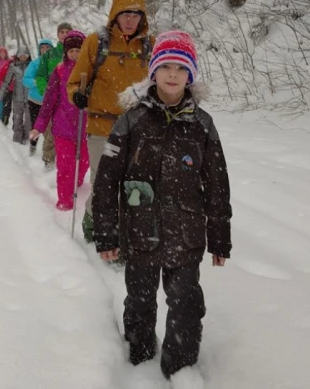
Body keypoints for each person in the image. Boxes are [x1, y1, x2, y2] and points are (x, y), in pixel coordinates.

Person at [92, 31, 232, 381]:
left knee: (185, 303)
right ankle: (138, 360)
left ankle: (180, 367)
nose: (173, 74)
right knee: (139, 300)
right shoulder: (131, 120)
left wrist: (219, 238)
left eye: (181, 68)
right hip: (140, 232)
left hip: (186, 234)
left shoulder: (202, 124)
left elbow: (217, 184)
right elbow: (106, 180)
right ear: (153, 71)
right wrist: (106, 235)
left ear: (191, 76)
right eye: (166, 66)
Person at [67, 0, 156, 242]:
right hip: (102, 127)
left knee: (132, 185)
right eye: (125, 13)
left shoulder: (150, 45)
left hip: (137, 129)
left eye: (136, 14)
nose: (130, 20)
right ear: (115, 15)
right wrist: (78, 96)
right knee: (104, 184)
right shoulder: (97, 43)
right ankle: (96, 223)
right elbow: (74, 83)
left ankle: (124, 232)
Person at [30, 31, 89, 211]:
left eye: (79, 51)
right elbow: (48, 101)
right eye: (71, 51)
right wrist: (39, 127)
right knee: (65, 166)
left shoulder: (91, 70)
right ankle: (65, 202)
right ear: (65, 52)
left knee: (85, 161)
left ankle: (76, 182)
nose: (75, 55)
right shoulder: (59, 70)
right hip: (62, 128)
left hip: (86, 127)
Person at [35, 22, 72, 170]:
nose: (64, 34)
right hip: (53, 100)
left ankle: (67, 164)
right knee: (50, 132)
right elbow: (40, 75)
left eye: (67, 31)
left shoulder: (78, 52)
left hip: (71, 101)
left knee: (70, 134)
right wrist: (46, 90)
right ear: (57, 34)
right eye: (61, 32)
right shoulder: (50, 55)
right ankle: (49, 162)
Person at [23, 39, 54, 156]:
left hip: (51, 101)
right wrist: (37, 82)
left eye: (48, 47)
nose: (45, 50)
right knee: (35, 126)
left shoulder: (56, 63)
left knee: (51, 129)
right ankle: (33, 146)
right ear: (39, 50)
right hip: (35, 100)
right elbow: (25, 80)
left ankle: (48, 152)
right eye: (42, 48)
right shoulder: (35, 63)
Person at [0, 45, 31, 143]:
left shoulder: (32, 66)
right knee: (17, 121)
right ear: (17, 55)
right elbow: (6, 82)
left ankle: (25, 138)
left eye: (25, 55)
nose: (23, 57)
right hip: (17, 98)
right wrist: (0, 95)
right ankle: (17, 141)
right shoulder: (13, 67)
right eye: (21, 55)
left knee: (29, 122)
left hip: (30, 99)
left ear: (28, 55)